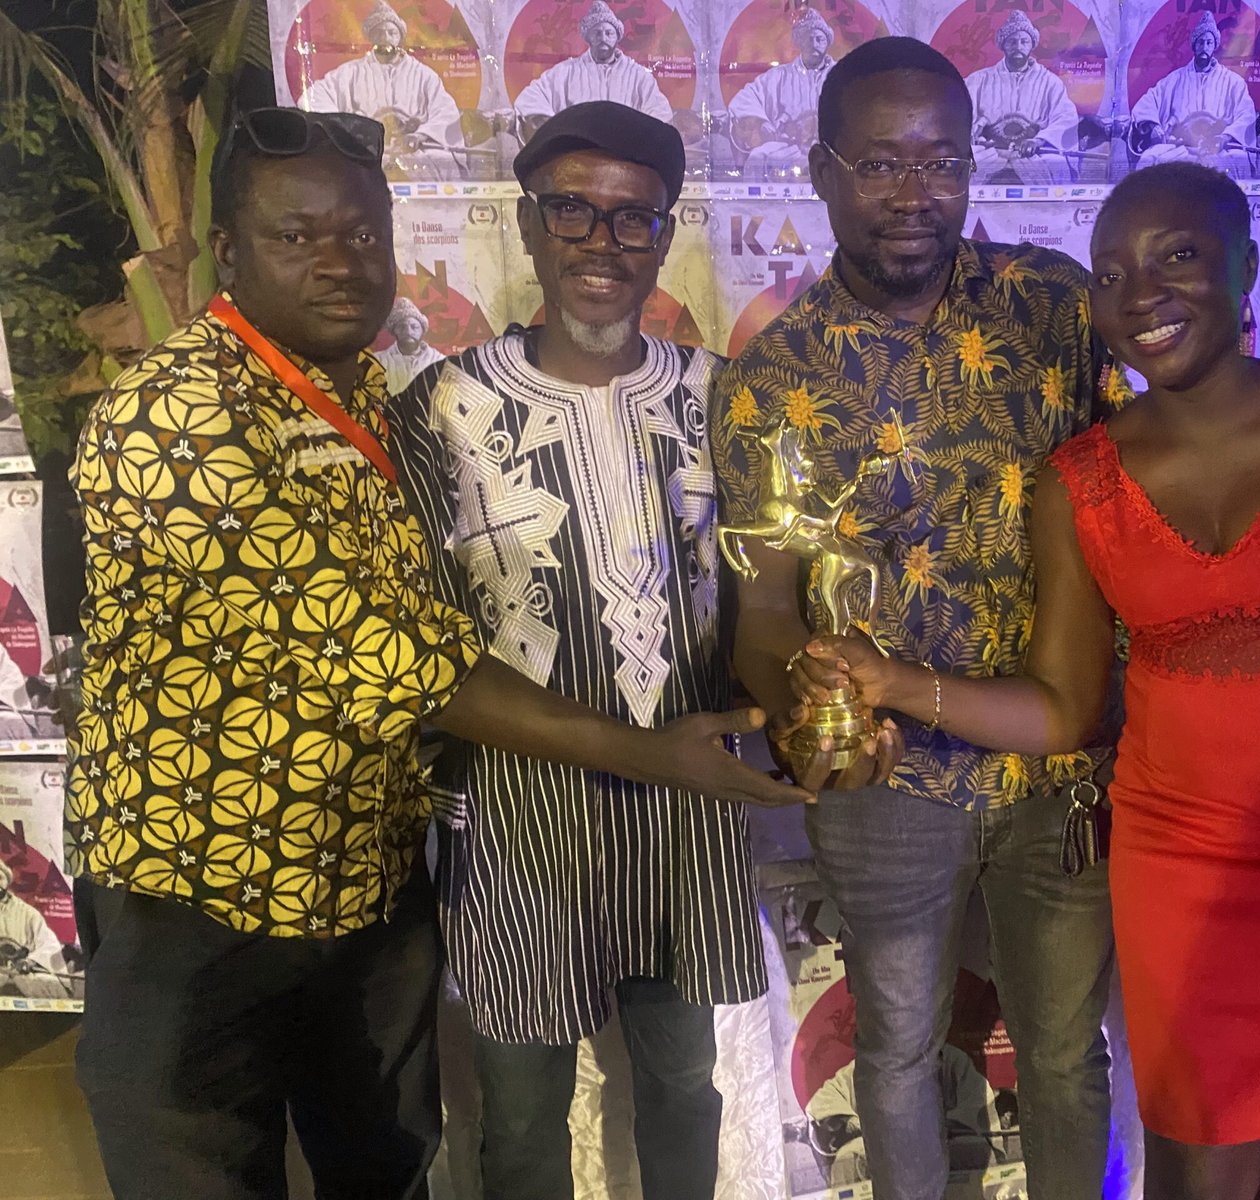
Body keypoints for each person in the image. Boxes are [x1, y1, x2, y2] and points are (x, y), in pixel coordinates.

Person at [67, 105, 804, 1200]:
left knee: (418, 1155)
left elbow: (757, 585)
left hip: (374, 883)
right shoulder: (193, 414)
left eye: (362, 235)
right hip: (211, 888)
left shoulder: (363, 393)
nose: (338, 263)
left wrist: (804, 699)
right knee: (407, 1135)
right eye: (295, 236)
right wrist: (653, 754)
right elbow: (392, 651)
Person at [804, 161, 1260, 1199]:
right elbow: (1061, 708)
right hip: (1179, 868)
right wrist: (897, 683)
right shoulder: (1081, 482)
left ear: (1246, 266)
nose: (1140, 294)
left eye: (1176, 256)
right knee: (1196, 1150)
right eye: (1110, 274)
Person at [713, 38, 1117, 1200]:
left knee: (1064, 1055)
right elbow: (762, 611)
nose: (914, 192)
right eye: (881, 163)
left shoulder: (1053, 307)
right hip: (889, 787)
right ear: (820, 172)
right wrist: (810, 711)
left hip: (1058, 767)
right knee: (893, 1055)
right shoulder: (769, 380)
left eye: (941, 161)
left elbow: (1138, 496)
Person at [389, 102, 762, 1200]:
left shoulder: (716, 397)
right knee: (520, 1109)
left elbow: (765, 591)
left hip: (685, 813)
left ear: (665, 233)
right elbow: (418, 638)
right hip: (519, 813)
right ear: (526, 224)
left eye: (632, 218)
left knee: (684, 1085)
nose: (603, 242)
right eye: (572, 211)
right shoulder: (443, 407)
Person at [302, 0, 462, 179]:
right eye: (379, 33)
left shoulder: (424, 75)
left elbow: (446, 112)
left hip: (415, 151)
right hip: (365, 153)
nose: (386, 38)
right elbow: (313, 98)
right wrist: (349, 129)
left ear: (400, 36)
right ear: (371, 37)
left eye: (392, 32)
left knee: (443, 163)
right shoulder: (350, 72)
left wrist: (421, 135)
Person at [807, 1045, 1006, 1185]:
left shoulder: (951, 1061)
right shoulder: (866, 1067)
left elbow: (975, 1106)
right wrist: (856, 1125)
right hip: (883, 1151)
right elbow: (826, 1100)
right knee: (851, 1155)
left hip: (943, 1148)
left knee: (969, 1147)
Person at [511, 0, 672, 137]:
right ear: (588, 37)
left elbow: (660, 112)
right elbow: (530, 99)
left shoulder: (638, 76)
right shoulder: (566, 72)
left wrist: (636, 136)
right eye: (597, 33)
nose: (603, 38)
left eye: (609, 33)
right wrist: (555, 130)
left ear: (617, 37)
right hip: (576, 155)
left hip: (625, 157)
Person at [1130, 11, 1253, 176]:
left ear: (1215, 45)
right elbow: (1149, 102)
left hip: (1217, 149)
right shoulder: (1175, 79)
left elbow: (1247, 115)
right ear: (1194, 45)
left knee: (1239, 158)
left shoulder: (1233, 82)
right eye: (1200, 42)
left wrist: (1224, 138)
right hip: (1180, 148)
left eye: (1209, 42)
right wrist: (1153, 126)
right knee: (1148, 158)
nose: (1205, 47)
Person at [965, 10, 1077, 185]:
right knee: (967, 163)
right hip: (990, 151)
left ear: (1032, 45)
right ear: (1003, 45)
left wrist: (1038, 140)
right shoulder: (978, 80)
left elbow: (1065, 118)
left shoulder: (1050, 82)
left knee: (1057, 164)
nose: (1018, 46)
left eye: (1024, 41)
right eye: (1012, 41)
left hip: (1034, 153)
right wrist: (976, 133)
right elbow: (960, 115)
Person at [726, 7, 836, 180]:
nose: (814, 44)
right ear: (800, 43)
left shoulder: (841, 75)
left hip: (831, 149)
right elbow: (745, 98)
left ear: (827, 42)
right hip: (787, 148)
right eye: (808, 39)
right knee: (758, 158)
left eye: (819, 39)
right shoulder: (779, 76)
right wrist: (761, 122)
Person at [0, 859, 68, 998]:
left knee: (48, 984)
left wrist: (30, 961)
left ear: (6, 881)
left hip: (25, 975)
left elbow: (50, 945)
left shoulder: (28, 914)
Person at [375, 296, 445, 393]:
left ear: (422, 330)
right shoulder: (378, 361)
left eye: (414, 327)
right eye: (402, 327)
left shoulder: (438, 360)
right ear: (394, 331)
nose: (408, 332)